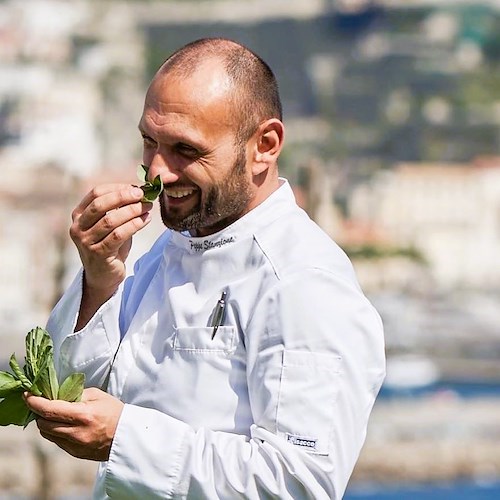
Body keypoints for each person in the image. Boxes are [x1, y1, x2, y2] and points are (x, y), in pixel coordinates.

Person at [25, 38, 385, 499]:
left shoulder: (302, 281)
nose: (157, 171)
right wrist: (100, 276)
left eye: (185, 150)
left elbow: (299, 483)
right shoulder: (166, 249)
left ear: (265, 145)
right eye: (149, 141)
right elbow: (79, 394)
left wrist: (124, 438)